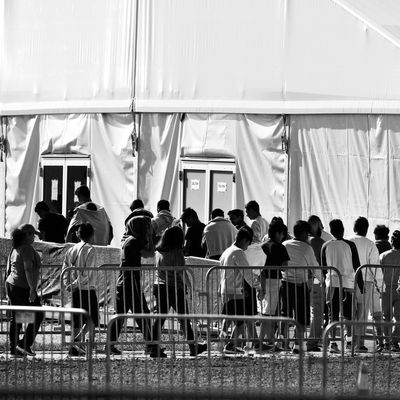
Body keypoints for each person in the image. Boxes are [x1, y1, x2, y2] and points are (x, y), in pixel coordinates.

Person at [108, 216, 163, 357]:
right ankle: (151, 346)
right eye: (146, 227)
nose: (148, 229)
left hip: (125, 282)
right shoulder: (133, 241)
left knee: (121, 315)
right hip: (130, 283)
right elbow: (149, 253)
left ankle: (110, 344)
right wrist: (150, 236)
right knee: (142, 314)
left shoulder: (129, 240)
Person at [151, 226, 207, 357]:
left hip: (159, 286)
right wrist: (191, 287)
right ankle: (193, 347)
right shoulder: (177, 252)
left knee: (160, 318)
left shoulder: (158, 251)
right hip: (174, 288)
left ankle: (153, 347)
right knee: (184, 319)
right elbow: (181, 272)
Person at [321, 219, 363, 354]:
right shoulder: (350, 245)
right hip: (348, 284)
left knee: (332, 315)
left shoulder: (325, 246)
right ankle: (349, 342)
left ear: (331, 231)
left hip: (332, 283)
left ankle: (333, 343)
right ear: (343, 230)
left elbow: (323, 268)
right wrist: (361, 286)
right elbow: (357, 266)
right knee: (348, 315)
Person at [282, 220, 320, 353]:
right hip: (300, 286)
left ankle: (283, 343)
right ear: (304, 233)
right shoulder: (306, 248)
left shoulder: (285, 244)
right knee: (301, 317)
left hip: (285, 284)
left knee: (285, 315)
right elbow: (315, 268)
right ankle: (297, 345)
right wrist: (323, 281)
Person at [219, 227, 259, 353]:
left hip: (226, 289)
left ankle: (221, 342)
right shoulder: (238, 252)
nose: (248, 246)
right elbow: (247, 273)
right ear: (244, 240)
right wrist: (259, 285)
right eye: (249, 242)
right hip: (235, 290)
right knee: (241, 320)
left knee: (228, 318)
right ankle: (231, 345)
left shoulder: (227, 251)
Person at [6, 224, 43, 357]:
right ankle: (24, 345)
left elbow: (9, 268)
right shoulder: (26, 248)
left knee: (18, 316)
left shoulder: (15, 248)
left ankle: (15, 348)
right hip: (23, 287)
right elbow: (28, 269)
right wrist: (32, 289)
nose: (34, 237)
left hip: (13, 285)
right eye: (33, 234)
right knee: (38, 314)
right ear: (26, 235)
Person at [62, 223, 99, 356]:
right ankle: (77, 340)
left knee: (77, 319)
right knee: (93, 318)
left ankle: (74, 346)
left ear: (78, 234)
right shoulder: (90, 249)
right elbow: (87, 272)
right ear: (92, 234)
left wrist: (68, 283)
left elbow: (65, 267)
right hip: (87, 288)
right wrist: (76, 283)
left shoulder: (72, 249)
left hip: (76, 289)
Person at [348, 217, 382, 352]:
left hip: (348, 282)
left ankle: (349, 342)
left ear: (354, 228)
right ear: (367, 229)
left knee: (350, 313)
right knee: (362, 314)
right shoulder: (370, 244)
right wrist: (380, 285)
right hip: (366, 282)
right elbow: (375, 266)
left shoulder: (348, 241)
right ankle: (360, 344)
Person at [258, 221, 290, 351]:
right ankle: (260, 341)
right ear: (278, 233)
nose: (283, 237)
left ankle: (270, 340)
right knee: (268, 313)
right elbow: (285, 267)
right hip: (275, 280)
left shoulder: (262, 246)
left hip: (261, 279)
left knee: (266, 312)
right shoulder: (280, 247)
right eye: (282, 234)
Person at [307, 215, 326, 351]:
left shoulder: (304, 241)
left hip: (302, 279)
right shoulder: (318, 241)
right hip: (316, 279)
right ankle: (313, 341)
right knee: (317, 311)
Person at [381, 231, 400, 352]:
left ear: (391, 242)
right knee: (399, 317)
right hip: (399, 289)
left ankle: (386, 341)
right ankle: (395, 341)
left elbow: (378, 273)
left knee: (385, 316)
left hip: (386, 289)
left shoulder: (383, 255)